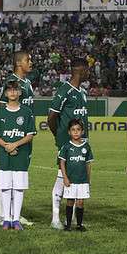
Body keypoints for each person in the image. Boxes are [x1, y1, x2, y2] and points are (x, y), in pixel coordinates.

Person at [48, 58, 89, 230]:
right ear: (80, 70)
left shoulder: (83, 92)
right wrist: (59, 137)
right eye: (87, 70)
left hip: (82, 143)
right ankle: (55, 219)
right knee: (61, 179)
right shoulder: (64, 90)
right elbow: (51, 116)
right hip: (67, 143)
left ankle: (71, 219)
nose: (89, 73)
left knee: (76, 181)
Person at [0, 81, 36, 231]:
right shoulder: (0, 111)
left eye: (15, 90)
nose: (13, 93)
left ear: (20, 92)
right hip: (4, 156)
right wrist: (6, 146)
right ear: (6, 93)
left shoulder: (26, 112)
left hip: (21, 155)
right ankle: (6, 219)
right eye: (10, 90)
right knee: (5, 187)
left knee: (19, 187)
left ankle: (16, 219)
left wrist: (14, 145)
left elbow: (30, 135)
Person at [0, 51, 35, 226]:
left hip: (24, 136)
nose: (31, 62)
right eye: (28, 60)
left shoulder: (27, 83)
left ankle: (15, 214)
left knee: (19, 175)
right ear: (19, 63)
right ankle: (4, 215)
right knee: (6, 176)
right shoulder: (11, 83)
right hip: (11, 137)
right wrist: (8, 141)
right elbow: (3, 110)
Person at [58, 119, 93, 232]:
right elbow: (62, 162)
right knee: (70, 201)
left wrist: (88, 179)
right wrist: (65, 177)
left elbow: (88, 164)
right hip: (71, 180)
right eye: (73, 130)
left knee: (81, 202)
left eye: (78, 130)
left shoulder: (86, 146)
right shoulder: (66, 146)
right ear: (69, 132)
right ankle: (68, 224)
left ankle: (79, 224)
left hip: (82, 180)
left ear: (82, 131)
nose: (76, 132)